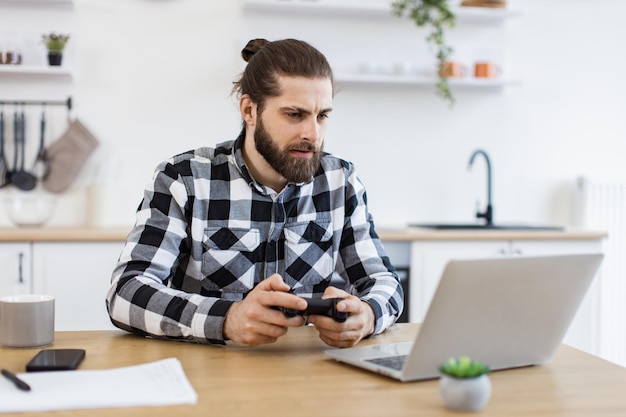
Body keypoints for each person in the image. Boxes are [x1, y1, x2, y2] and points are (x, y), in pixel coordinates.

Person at [106, 38, 403, 348]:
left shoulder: (341, 181)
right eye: (294, 115)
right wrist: (228, 319)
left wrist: (368, 314)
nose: (313, 134)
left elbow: (384, 282)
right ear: (249, 110)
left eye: (322, 116)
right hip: (209, 375)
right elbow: (125, 293)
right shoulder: (183, 179)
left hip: (310, 376)